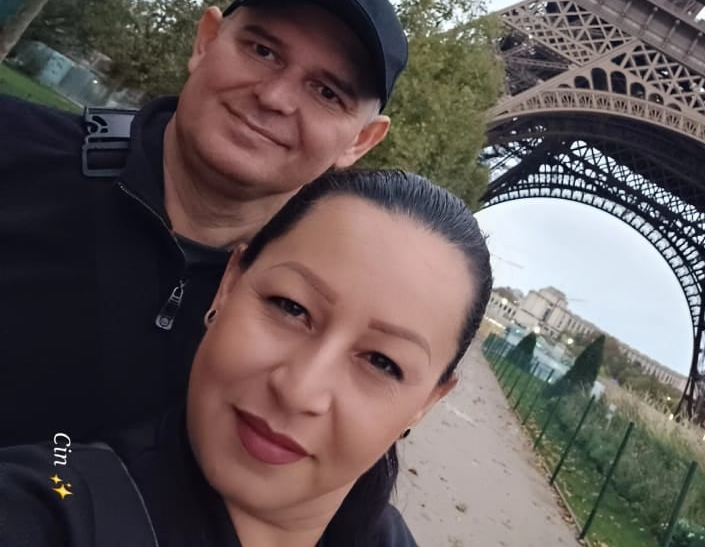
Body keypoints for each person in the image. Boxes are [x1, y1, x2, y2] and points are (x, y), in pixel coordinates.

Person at [0, 0, 417, 542]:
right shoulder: (13, 150)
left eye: (326, 91)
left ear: (361, 141)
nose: (274, 96)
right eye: (263, 50)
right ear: (205, 41)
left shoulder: (313, 332)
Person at [0, 169, 494, 546]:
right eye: (291, 307)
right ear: (227, 285)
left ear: (427, 402)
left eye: (382, 362)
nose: (299, 389)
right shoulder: (49, 510)